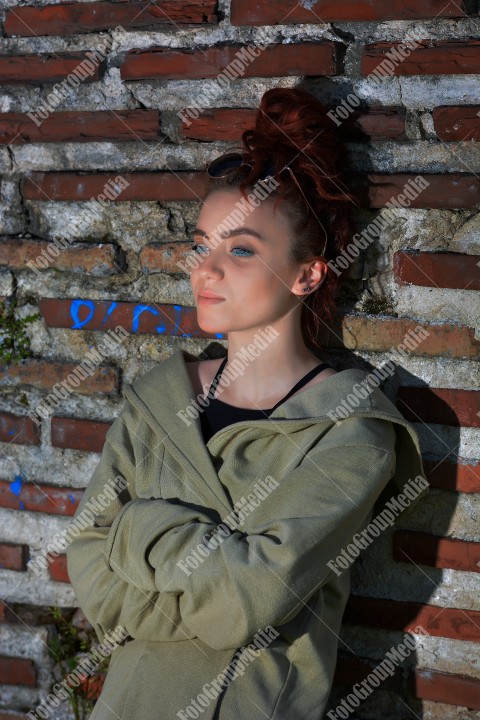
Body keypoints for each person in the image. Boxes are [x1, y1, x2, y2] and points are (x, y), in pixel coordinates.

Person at [66, 87, 429, 719]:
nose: (206, 271)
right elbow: (89, 564)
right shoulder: (159, 399)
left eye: (241, 250)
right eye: (201, 245)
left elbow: (251, 598)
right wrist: (206, 564)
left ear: (307, 274)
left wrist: (136, 533)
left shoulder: (349, 431)